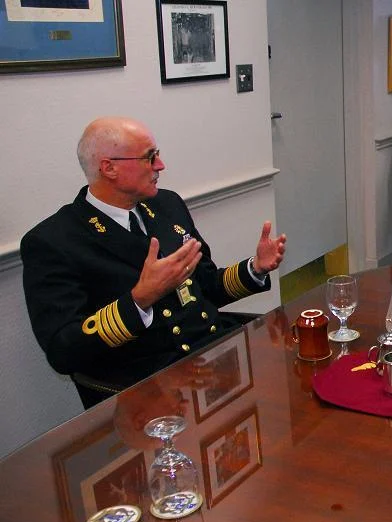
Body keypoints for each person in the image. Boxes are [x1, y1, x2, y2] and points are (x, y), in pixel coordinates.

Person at [21, 116, 286, 407]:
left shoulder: (166, 205)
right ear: (109, 167)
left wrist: (255, 269)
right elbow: (63, 350)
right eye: (150, 157)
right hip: (152, 389)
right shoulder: (55, 240)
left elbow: (205, 286)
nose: (160, 165)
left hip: (214, 355)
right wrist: (139, 299)